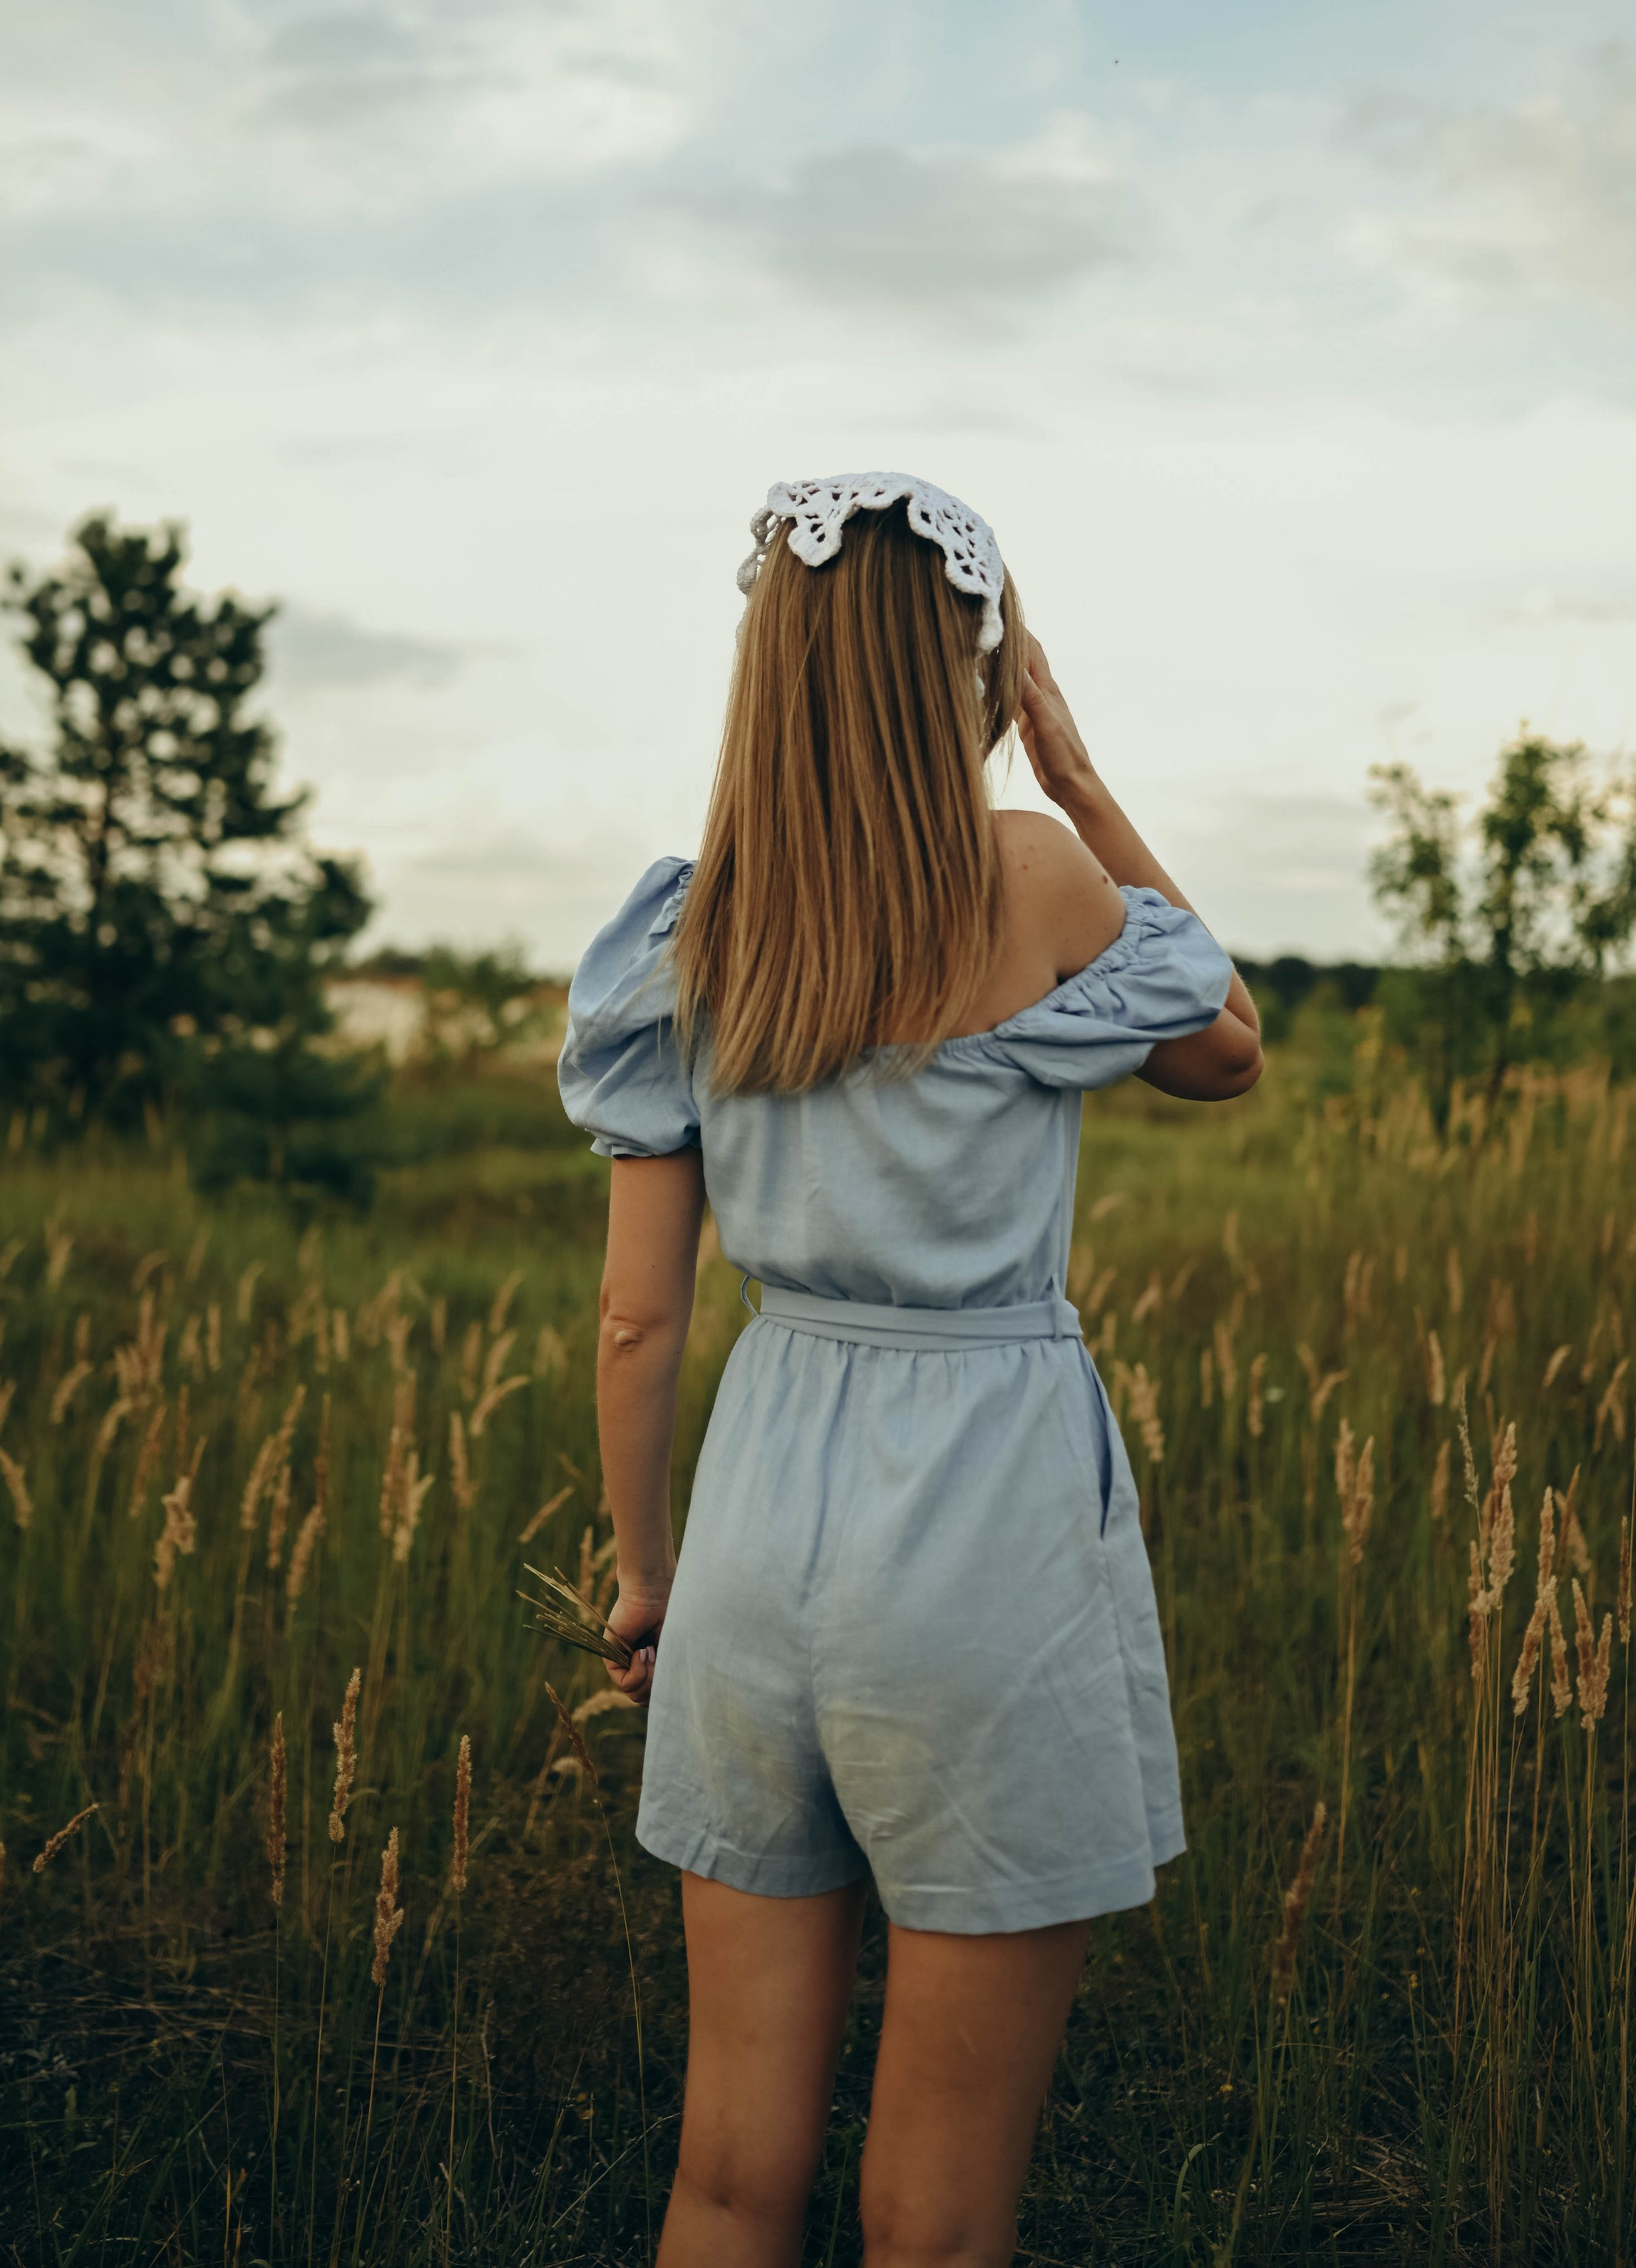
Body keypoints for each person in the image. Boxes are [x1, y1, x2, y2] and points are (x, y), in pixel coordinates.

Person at [558, 475, 1263, 2268]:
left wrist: (650, 1579)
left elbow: (638, 1320)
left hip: (755, 1518)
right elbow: (1226, 1049)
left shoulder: (687, 930)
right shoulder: (1029, 877)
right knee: (935, 2218)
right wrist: (1079, 779)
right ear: (972, 667)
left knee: (726, 2172)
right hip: (980, 1528)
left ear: (768, 667)